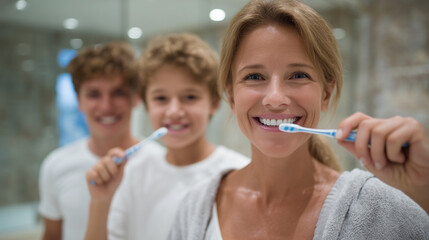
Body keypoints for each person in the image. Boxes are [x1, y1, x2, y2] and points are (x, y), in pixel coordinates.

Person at [168, 0, 429, 239]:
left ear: (326, 93)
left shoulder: (379, 210)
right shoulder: (194, 209)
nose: (275, 98)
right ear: (231, 95)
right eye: (254, 77)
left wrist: (423, 192)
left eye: (298, 75)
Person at [84, 33, 250, 240]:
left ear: (214, 103)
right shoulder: (134, 173)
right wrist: (100, 201)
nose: (174, 111)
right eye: (161, 98)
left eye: (190, 97)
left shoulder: (239, 172)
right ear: (146, 105)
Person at [38, 42, 165, 240]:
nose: (106, 106)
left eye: (118, 93)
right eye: (94, 94)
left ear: (135, 98)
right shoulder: (56, 165)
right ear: (79, 100)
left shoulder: (162, 163)